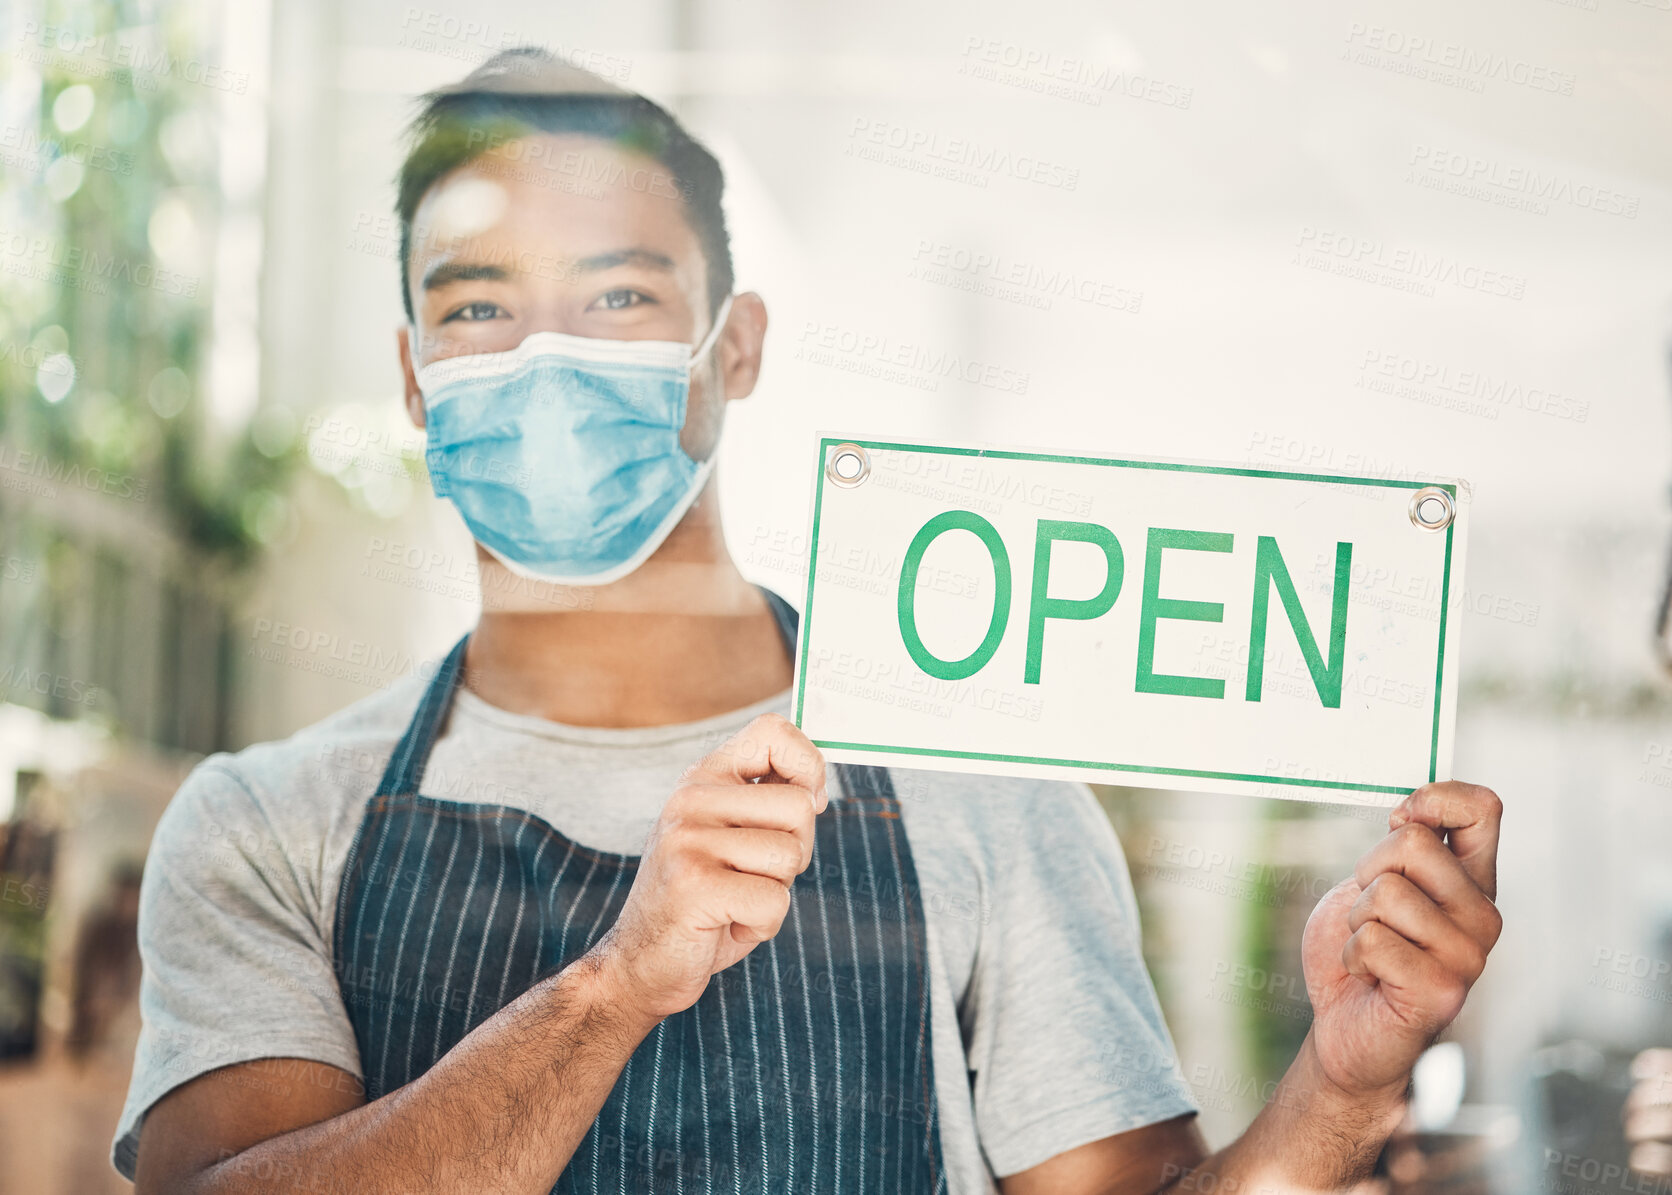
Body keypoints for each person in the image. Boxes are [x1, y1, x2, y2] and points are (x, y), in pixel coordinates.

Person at [113, 47, 1505, 1195]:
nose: (547, 361)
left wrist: (1337, 1089)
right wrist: (613, 987)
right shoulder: (265, 827)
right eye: (478, 307)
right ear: (415, 380)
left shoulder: (971, 773)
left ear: (737, 350)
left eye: (615, 296)